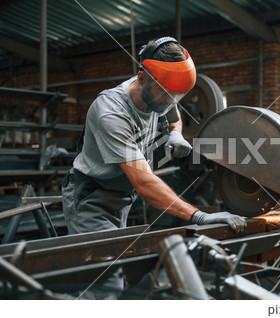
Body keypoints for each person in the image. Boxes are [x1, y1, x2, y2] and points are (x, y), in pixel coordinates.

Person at [61, 36, 247, 299]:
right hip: (92, 198)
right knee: (104, 286)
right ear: (141, 77)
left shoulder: (160, 95)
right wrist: (199, 216)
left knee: (118, 277)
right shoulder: (111, 112)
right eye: (168, 93)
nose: (173, 99)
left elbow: (174, 115)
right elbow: (144, 183)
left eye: (178, 94)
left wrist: (176, 134)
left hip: (122, 198)